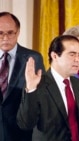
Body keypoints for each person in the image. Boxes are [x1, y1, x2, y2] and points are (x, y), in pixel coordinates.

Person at [0, 12, 45, 141]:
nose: (5, 38)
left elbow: (41, 97)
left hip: (21, 132)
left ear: (18, 32)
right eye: (0, 33)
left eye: (10, 32)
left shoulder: (33, 58)